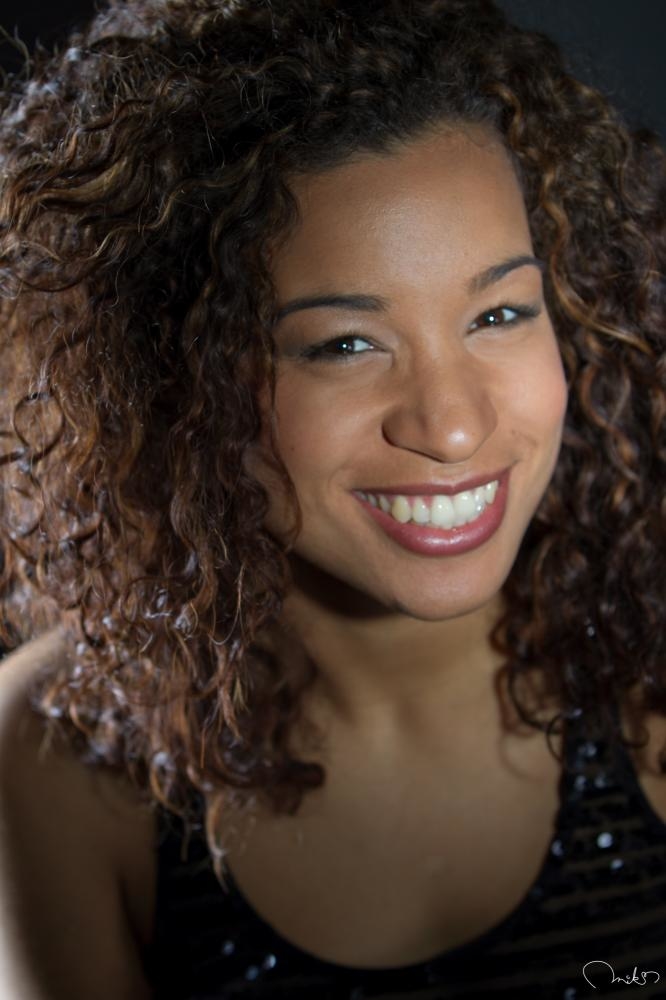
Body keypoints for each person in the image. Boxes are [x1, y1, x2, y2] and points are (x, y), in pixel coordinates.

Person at [0, 0, 664, 997]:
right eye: (346, 344)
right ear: (169, 374)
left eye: (498, 314)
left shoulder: (650, 659)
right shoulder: (55, 752)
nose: (452, 427)